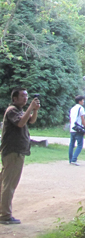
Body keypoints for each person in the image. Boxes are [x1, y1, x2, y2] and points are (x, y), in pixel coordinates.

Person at [0, 87, 40, 224]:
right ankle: (5, 215)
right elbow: (20, 123)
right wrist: (30, 108)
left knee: (5, 182)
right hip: (13, 152)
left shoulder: (19, 111)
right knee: (9, 183)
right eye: (22, 96)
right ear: (14, 98)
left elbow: (31, 121)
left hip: (16, 151)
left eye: (27, 96)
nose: (25, 98)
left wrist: (34, 110)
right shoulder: (12, 111)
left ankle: (3, 212)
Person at [68, 95, 85, 165]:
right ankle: (74, 159)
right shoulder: (81, 108)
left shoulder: (72, 109)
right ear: (80, 101)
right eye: (82, 100)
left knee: (71, 144)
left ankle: (70, 159)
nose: (83, 102)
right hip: (78, 129)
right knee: (80, 145)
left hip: (72, 128)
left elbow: (70, 119)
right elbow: (83, 119)